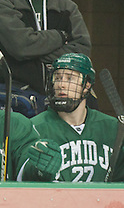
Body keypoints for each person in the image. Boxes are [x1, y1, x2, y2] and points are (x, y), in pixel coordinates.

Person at [31, 53, 124, 182]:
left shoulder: (113, 128)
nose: (61, 85)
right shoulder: (34, 128)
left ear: (86, 85)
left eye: (69, 78)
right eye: (57, 78)